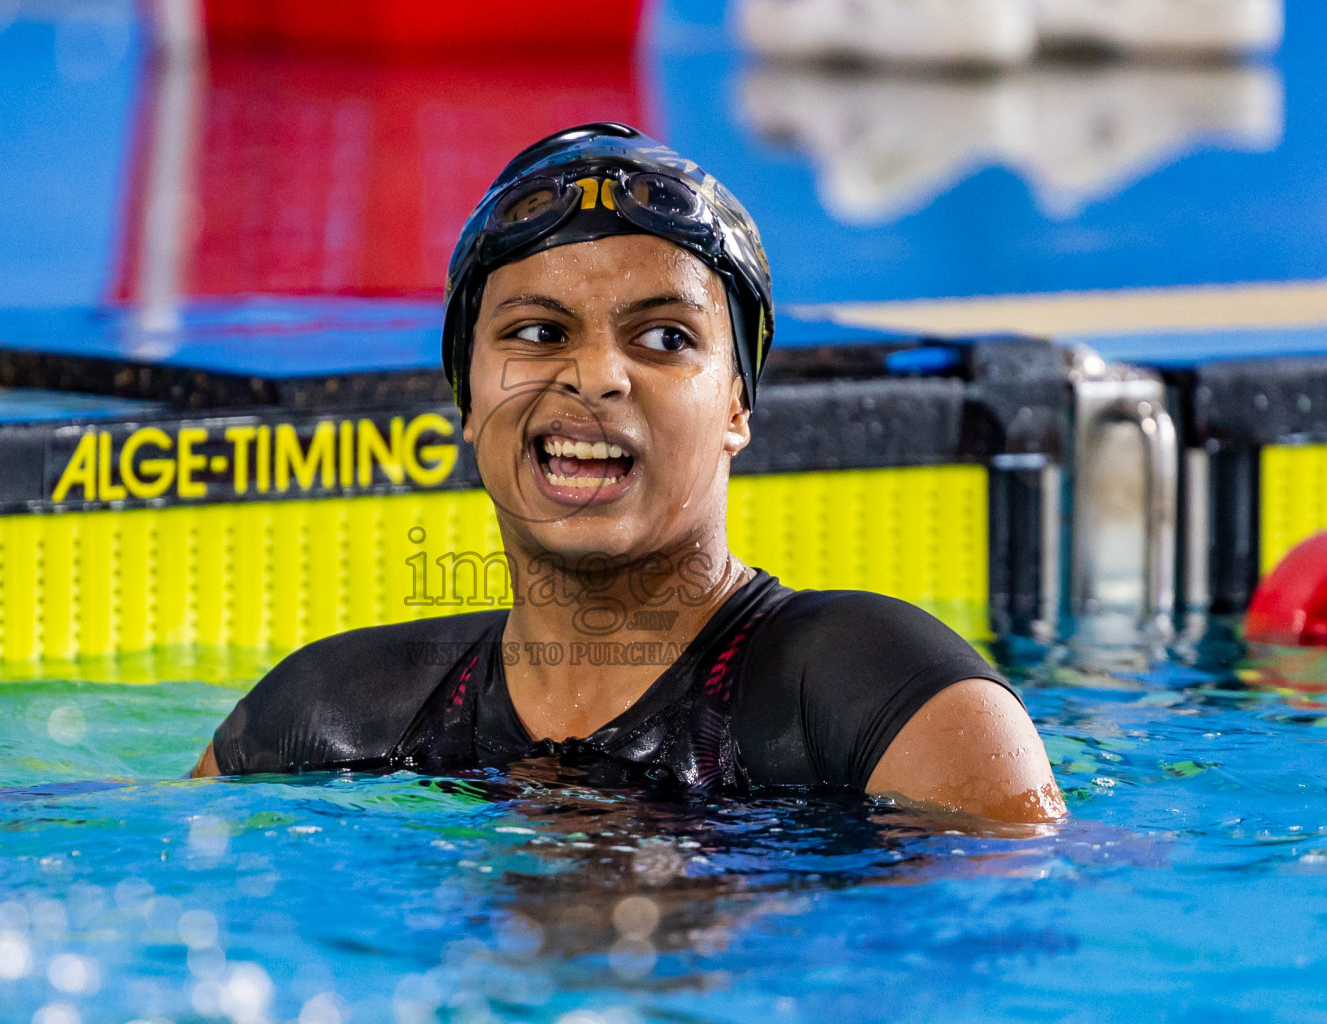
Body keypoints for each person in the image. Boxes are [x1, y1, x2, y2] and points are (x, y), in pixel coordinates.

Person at [192, 123, 1065, 824]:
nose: (597, 375)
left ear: (736, 407)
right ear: (467, 399)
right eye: (537, 333)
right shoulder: (327, 716)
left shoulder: (885, 700)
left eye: (664, 338)